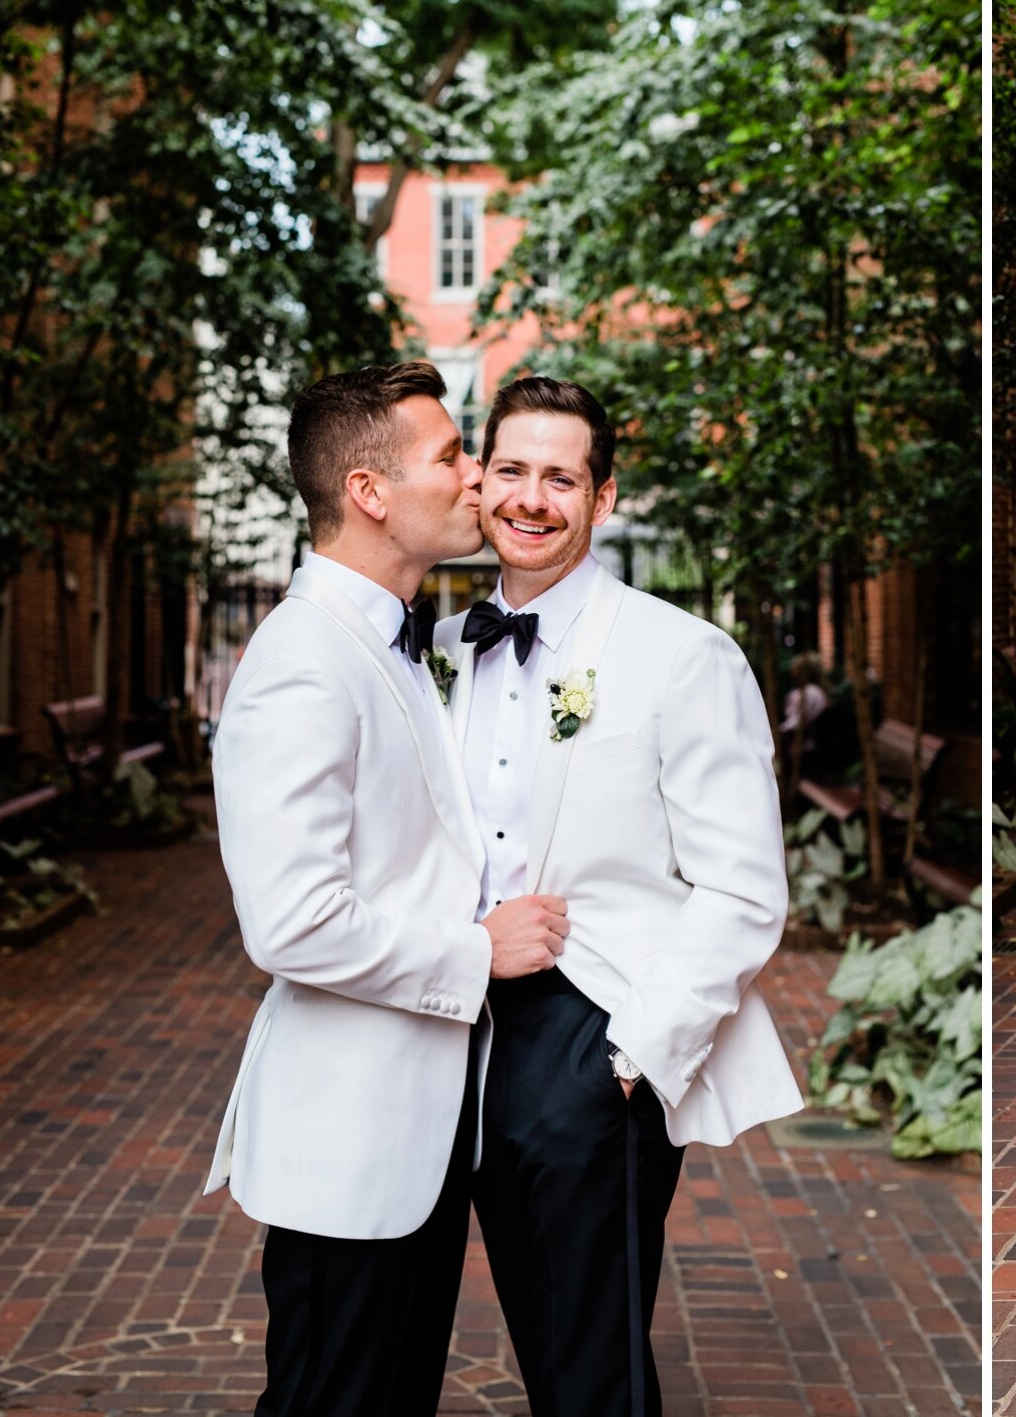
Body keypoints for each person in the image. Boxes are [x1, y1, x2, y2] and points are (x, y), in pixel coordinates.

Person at [203, 361, 570, 1416]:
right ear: (368, 492)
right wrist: (477, 950)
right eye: (450, 455)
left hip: (415, 1138)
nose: (475, 479)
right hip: (347, 1144)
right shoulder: (303, 661)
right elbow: (290, 921)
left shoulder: (396, 643)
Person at [437, 376, 803, 1416]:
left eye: (562, 477)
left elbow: (742, 887)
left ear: (601, 499)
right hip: (458, 1016)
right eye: (512, 469)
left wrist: (630, 1058)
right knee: (545, 1340)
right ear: (479, 481)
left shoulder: (680, 655)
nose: (531, 498)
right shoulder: (440, 651)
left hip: (593, 1027)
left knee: (589, 1360)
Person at [778, 652, 830, 767]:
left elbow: (795, 724)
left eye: (795, 669)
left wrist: (775, 732)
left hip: (802, 746)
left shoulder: (807, 694)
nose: (792, 672)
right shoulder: (818, 691)